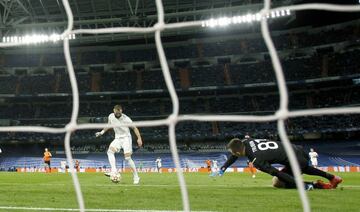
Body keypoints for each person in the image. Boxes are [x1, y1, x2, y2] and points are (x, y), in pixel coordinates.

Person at [212, 138, 342, 190]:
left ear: (237, 152)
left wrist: (302, 185)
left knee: (277, 182)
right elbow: (234, 154)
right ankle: (333, 177)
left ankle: (312, 185)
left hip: (295, 159)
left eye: (233, 153)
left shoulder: (256, 160)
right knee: (304, 167)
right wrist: (224, 168)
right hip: (298, 150)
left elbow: (277, 172)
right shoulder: (247, 141)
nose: (233, 155)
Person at [96, 104, 143, 184]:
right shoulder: (111, 116)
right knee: (110, 152)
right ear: (114, 110)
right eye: (116, 111)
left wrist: (139, 138)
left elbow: (134, 128)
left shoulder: (126, 119)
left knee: (127, 158)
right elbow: (108, 125)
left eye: (119, 112)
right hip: (118, 138)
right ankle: (114, 171)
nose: (118, 113)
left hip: (126, 138)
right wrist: (101, 132)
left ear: (121, 111)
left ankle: (136, 176)